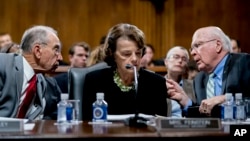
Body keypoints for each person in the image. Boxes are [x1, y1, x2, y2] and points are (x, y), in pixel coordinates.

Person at [82, 23, 178, 121]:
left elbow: (160, 124)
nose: (134, 59)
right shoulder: (94, 80)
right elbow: (86, 122)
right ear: (112, 53)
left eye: (138, 53)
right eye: (126, 54)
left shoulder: (156, 83)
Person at [166, 26, 250, 116]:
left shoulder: (244, 63)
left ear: (217, 45)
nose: (192, 53)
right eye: (192, 49)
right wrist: (186, 101)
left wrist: (227, 99)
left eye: (197, 45)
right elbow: (204, 115)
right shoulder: (199, 79)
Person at [0, 25, 63, 120]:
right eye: (56, 50)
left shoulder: (41, 82)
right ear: (38, 51)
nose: (60, 58)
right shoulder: (3, 64)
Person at [164, 46, 196, 116]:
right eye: (176, 57)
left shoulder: (194, 85)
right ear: (166, 61)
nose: (180, 61)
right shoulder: (156, 84)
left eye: (184, 59)